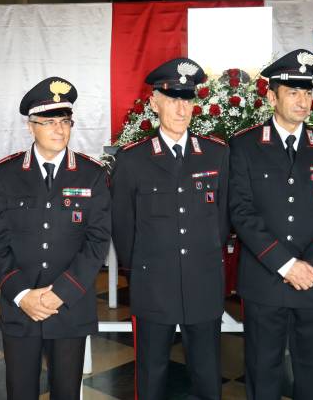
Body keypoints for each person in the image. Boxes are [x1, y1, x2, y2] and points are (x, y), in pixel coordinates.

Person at [229, 49, 313, 400]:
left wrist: (310, 266)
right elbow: (240, 211)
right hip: (265, 278)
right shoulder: (244, 146)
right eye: (293, 92)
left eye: (308, 92)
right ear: (272, 96)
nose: (303, 101)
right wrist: (286, 265)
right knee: (262, 369)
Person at [0, 77, 111, 400]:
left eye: (65, 121)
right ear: (31, 127)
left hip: (70, 307)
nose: (60, 129)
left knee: (67, 393)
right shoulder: (7, 173)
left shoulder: (91, 174)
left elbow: (97, 242)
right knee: (21, 392)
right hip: (20, 306)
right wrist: (21, 294)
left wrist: (61, 293)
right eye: (50, 121)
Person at [111, 58, 229, 400]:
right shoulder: (133, 159)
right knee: (151, 371)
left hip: (203, 278)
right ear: (154, 102)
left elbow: (222, 220)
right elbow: (123, 225)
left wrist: (204, 255)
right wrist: (142, 271)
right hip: (153, 281)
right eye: (172, 98)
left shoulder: (215, 154)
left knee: (208, 372)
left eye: (187, 99)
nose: (181, 108)